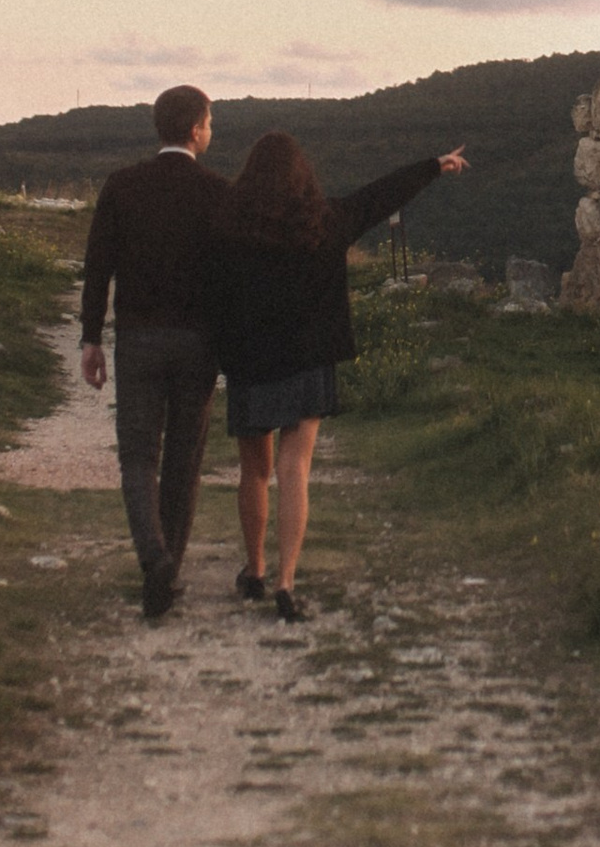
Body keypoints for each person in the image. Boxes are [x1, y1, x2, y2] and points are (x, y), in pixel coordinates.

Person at [200, 128, 466, 621]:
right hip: (307, 359)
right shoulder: (327, 221)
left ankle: (254, 569)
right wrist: (435, 164)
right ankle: (286, 581)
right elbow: (380, 194)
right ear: (303, 174)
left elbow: (211, 294)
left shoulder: (228, 227)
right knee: (294, 468)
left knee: (254, 471)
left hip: (251, 361)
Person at [78, 82, 227, 621]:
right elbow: (231, 281)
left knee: (138, 456)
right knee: (184, 461)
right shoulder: (218, 192)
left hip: (137, 339)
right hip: (198, 343)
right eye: (210, 122)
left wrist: (91, 336)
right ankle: (170, 571)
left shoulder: (122, 187)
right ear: (194, 129)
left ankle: (154, 560)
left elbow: (99, 268)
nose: (211, 130)